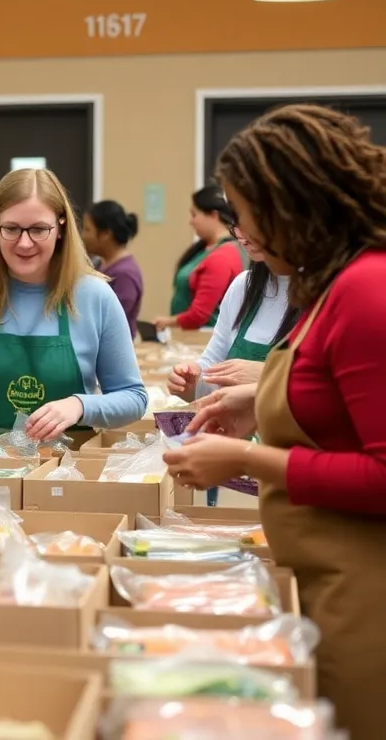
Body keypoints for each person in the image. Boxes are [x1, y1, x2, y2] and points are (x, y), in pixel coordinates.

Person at [162, 104, 386, 740]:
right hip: (324, 576)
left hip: (364, 592)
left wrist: (248, 459)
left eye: (245, 210)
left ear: (294, 203)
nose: (239, 230)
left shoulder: (368, 288)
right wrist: (255, 404)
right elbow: (334, 402)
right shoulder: (328, 283)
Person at [0, 168, 147, 441]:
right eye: (10, 229)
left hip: (66, 474)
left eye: (38, 229)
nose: (24, 242)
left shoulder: (95, 296)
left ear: (60, 228)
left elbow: (133, 398)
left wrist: (80, 405)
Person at [167, 227, 298, 505]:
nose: (243, 236)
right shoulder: (244, 287)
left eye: (253, 222)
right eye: (236, 225)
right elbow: (213, 369)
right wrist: (193, 382)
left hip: (292, 475)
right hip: (235, 475)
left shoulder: (327, 294)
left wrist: (268, 376)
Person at [153, 186, 243, 332]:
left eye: (194, 215)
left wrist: (167, 322)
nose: (191, 221)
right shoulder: (206, 249)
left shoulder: (222, 256)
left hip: (203, 339)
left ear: (214, 215)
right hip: (188, 337)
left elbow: (200, 314)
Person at [81, 200, 143, 338]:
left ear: (105, 234)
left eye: (87, 230)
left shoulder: (125, 274)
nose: (83, 236)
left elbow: (112, 322)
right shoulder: (98, 264)